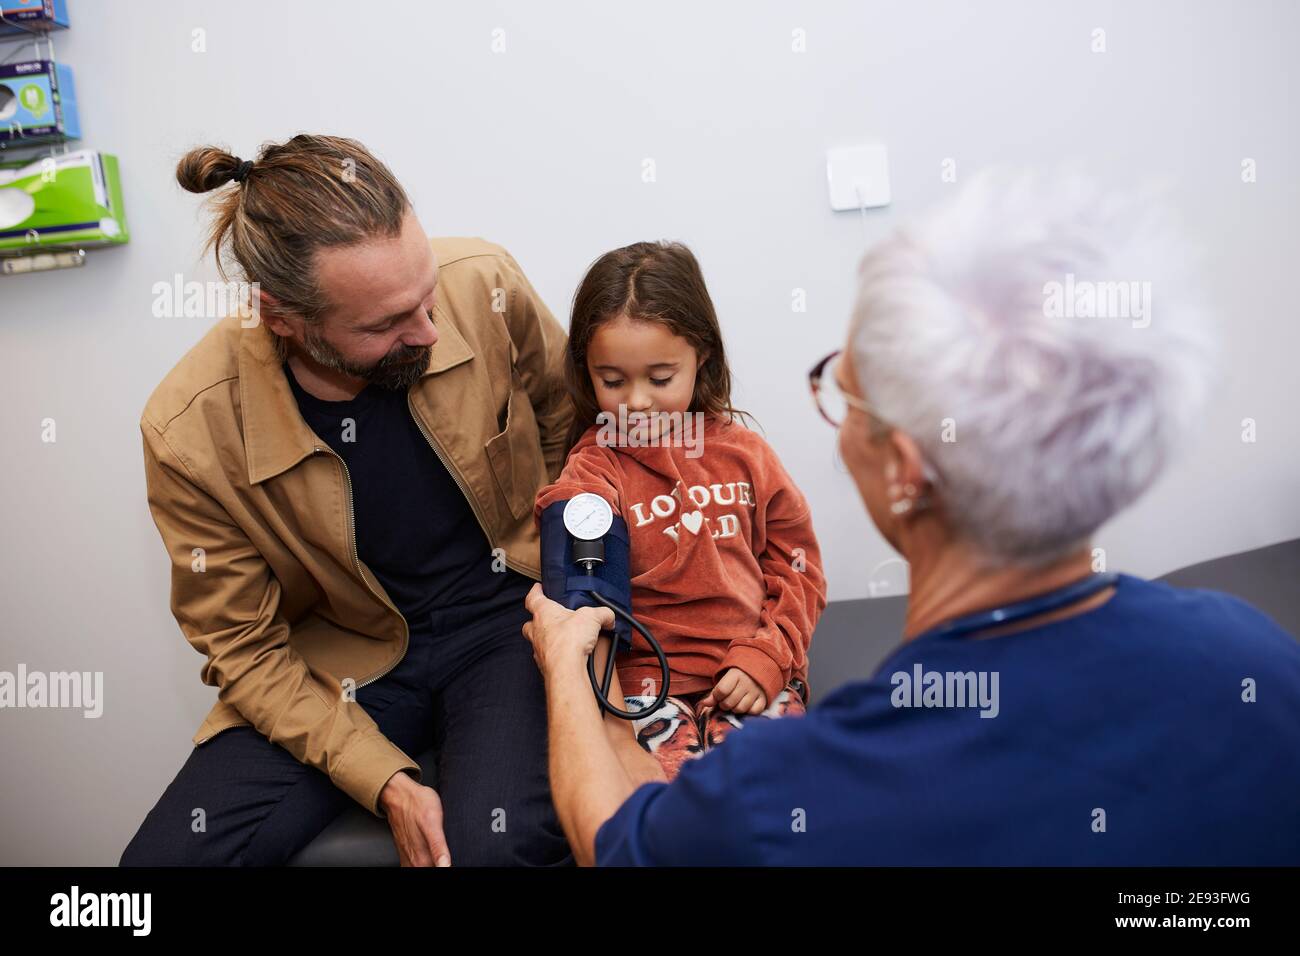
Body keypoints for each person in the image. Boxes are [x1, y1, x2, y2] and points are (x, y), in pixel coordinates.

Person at [522, 170, 1300, 865]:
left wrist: (566, 666)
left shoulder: (781, 794)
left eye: (844, 391)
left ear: (903, 468)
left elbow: (617, 844)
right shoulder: (1257, 660)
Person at [121, 134, 574, 866]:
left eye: (424, 295)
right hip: (340, 663)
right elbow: (244, 646)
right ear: (283, 320)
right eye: (385, 325)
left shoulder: (482, 281)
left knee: (498, 845)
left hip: (504, 623)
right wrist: (383, 777)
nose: (428, 330)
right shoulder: (188, 428)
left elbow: (572, 427)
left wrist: (567, 589)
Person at [532, 241, 827, 782]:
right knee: (665, 806)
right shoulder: (595, 470)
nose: (636, 401)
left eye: (660, 378)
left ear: (702, 357)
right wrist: (567, 513)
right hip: (645, 687)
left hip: (752, 668)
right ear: (586, 371)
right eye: (612, 380)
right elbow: (582, 590)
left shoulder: (746, 455)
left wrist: (767, 656)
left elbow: (797, 569)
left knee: (780, 792)